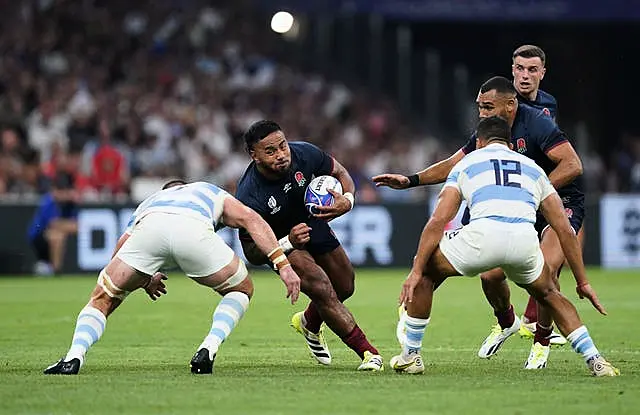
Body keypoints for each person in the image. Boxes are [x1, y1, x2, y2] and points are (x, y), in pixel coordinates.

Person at [373, 76, 586, 368]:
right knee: (490, 275)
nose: (482, 114)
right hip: (519, 202)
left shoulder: (536, 123)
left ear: (510, 106)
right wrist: (411, 180)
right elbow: (454, 163)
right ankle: (506, 321)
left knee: (547, 271)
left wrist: (530, 193)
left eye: (488, 107)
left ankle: (542, 341)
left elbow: (573, 165)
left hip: (559, 200)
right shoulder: (487, 134)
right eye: (480, 107)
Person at [389, 116, 618, 377]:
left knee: (427, 270)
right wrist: (582, 281)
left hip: (482, 238)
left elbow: (439, 220)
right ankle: (596, 360)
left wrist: (416, 271)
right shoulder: (533, 168)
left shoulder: (468, 162)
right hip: (524, 242)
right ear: (511, 145)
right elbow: (565, 229)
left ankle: (411, 356)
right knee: (549, 294)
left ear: (479, 142)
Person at [44, 180, 301, 375]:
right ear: (185, 186)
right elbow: (251, 219)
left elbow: (122, 247)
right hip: (193, 230)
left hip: (150, 230)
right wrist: (283, 264)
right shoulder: (208, 190)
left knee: (104, 297)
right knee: (241, 289)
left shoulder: (151, 201)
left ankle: (73, 357)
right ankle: (208, 348)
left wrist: (143, 280)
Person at [235, 120, 383, 371]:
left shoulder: (304, 153)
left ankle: (308, 322)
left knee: (344, 285)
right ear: (254, 155)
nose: (281, 155)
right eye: (271, 151)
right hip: (281, 243)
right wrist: (287, 242)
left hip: (312, 223)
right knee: (322, 288)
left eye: (282, 146)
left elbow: (341, 173)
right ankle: (369, 353)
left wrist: (348, 200)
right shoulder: (249, 195)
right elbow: (251, 253)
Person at [27, 172, 79, 275]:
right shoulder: (48, 201)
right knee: (57, 236)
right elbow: (53, 224)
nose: (63, 194)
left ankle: (53, 267)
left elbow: (77, 226)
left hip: (54, 234)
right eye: (60, 190)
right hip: (39, 236)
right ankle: (56, 270)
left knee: (60, 235)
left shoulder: (70, 204)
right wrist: (69, 226)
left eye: (65, 190)